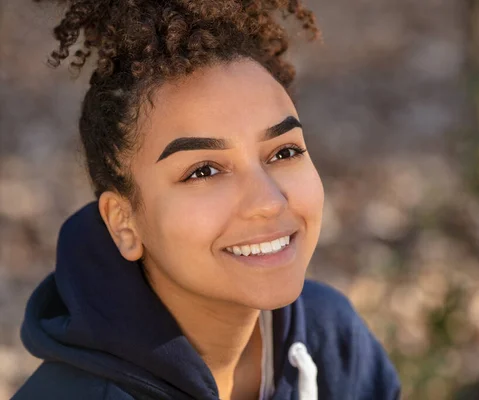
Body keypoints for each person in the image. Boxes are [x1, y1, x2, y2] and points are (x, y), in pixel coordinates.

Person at [12, 0, 401, 399]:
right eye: (204, 171)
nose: (267, 201)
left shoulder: (331, 340)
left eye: (284, 152)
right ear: (124, 223)